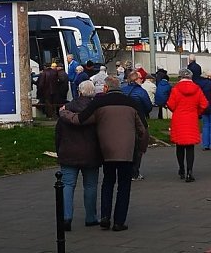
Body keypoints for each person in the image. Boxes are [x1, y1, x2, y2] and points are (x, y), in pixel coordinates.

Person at [59, 76, 148, 232]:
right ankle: (119, 222)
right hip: (127, 152)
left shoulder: (99, 104)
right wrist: (141, 149)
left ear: (106, 88)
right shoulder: (132, 104)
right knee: (124, 186)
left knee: (108, 182)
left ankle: (105, 217)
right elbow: (143, 130)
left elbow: (80, 119)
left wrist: (64, 113)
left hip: (107, 151)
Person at [55, 80, 102, 231]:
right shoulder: (96, 111)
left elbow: (58, 134)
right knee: (90, 186)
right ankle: (91, 217)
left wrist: (59, 150)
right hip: (91, 153)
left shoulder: (66, 109)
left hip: (68, 152)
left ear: (79, 92)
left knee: (67, 185)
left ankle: (66, 217)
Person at [167, 68, 208, 182]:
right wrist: (197, 112)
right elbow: (204, 104)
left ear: (180, 77)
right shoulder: (197, 89)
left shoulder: (175, 89)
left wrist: (177, 110)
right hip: (191, 119)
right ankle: (190, 172)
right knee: (190, 147)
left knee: (179, 146)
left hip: (179, 119)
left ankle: (181, 169)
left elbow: (170, 104)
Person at [121, 71, 152, 180]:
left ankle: (125, 171)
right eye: (140, 78)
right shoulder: (141, 92)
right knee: (138, 147)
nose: (142, 79)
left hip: (124, 121)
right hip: (139, 120)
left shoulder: (122, 90)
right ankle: (135, 172)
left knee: (125, 146)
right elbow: (148, 107)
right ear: (135, 79)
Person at [195, 70, 211, 152]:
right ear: (209, 76)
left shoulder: (199, 84)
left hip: (203, 107)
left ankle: (205, 145)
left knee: (205, 126)